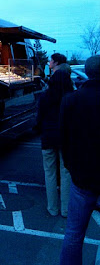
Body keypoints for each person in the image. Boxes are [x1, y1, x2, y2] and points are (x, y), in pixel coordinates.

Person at [59, 55, 100, 265]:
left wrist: (70, 165)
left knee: (74, 235)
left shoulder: (71, 100)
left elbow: (63, 138)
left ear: (87, 72)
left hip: (81, 177)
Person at [35, 69, 74, 217]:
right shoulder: (70, 97)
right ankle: (65, 209)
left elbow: (39, 118)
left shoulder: (45, 96)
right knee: (66, 173)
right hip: (66, 139)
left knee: (49, 173)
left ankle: (52, 208)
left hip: (48, 137)